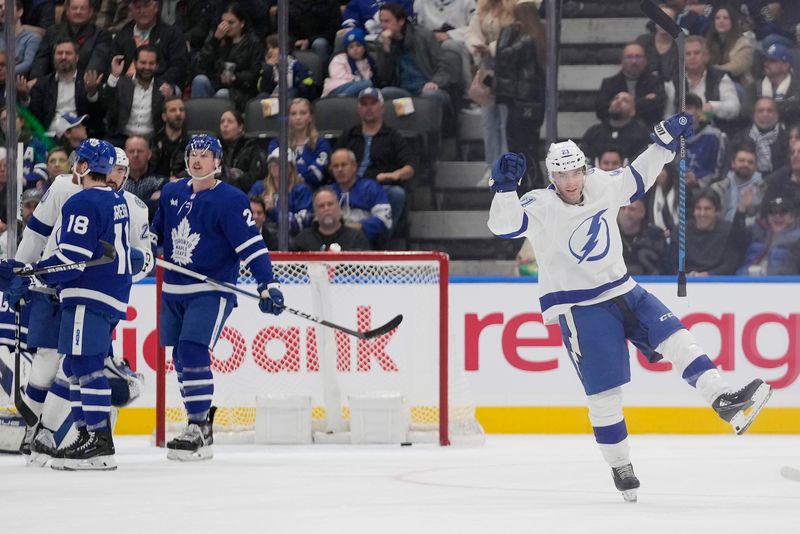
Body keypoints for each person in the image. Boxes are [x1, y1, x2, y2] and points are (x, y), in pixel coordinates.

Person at [486, 113, 772, 501]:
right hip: (581, 307)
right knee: (605, 397)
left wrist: (665, 141)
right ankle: (620, 465)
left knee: (679, 340)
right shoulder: (539, 204)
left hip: (625, 289)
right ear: (552, 177)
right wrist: (504, 189)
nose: (570, 182)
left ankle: (724, 401)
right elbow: (505, 227)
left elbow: (637, 176)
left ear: (584, 169)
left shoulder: (602, 184)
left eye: (574, 172)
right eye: (561, 175)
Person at [1, 139, 134, 471]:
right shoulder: (117, 201)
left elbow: (71, 262)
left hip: (87, 294)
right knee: (76, 365)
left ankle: (98, 442)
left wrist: (32, 272)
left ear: (85, 166)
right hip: (108, 293)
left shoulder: (83, 201)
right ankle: (86, 437)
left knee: (85, 364)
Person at [151, 134, 284, 461]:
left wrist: (267, 283)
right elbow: (155, 234)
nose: (197, 160)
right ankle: (199, 425)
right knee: (181, 357)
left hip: (211, 289)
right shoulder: (171, 193)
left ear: (218, 162)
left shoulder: (231, 199)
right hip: (174, 289)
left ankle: (197, 426)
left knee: (194, 350)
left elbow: (251, 246)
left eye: (205, 155)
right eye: (192, 154)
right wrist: (143, 250)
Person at [335, 87, 415, 231]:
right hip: (348, 186)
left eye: (373, 103)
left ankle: (382, 239)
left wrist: (392, 175)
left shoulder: (393, 137)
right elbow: (333, 161)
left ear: (382, 108)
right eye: (364, 104)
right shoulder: (349, 135)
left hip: (379, 187)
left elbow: (409, 168)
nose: (368, 108)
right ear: (359, 109)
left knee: (397, 194)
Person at [493, 0, 545, 188]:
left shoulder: (526, 39)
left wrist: (506, 33)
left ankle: (527, 186)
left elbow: (503, 56)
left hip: (522, 103)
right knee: (528, 148)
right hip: (532, 104)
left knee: (519, 148)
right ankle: (532, 184)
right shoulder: (538, 37)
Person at [375, 3, 452, 112]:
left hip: (426, 88)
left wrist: (435, 82)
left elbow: (444, 66)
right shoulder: (383, 42)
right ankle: (406, 127)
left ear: (401, 21)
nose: (383, 26)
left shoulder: (423, 36)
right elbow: (384, 78)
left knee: (430, 96)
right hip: (404, 91)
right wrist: (386, 50)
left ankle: (427, 128)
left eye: (387, 21)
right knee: (387, 93)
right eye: (381, 21)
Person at [18, 38, 103, 138]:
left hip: (80, 136)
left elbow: (97, 116)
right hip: (50, 137)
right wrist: (24, 97)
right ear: (53, 57)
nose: (63, 57)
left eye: (68, 53)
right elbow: (35, 117)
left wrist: (91, 93)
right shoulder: (42, 84)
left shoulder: (88, 81)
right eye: (59, 53)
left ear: (76, 57)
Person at [190, 2, 262, 110]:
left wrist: (235, 78)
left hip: (240, 91)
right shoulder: (217, 39)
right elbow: (201, 65)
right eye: (223, 22)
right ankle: (198, 123)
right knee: (200, 80)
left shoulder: (253, 43)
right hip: (217, 85)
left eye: (231, 22)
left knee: (222, 94)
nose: (226, 27)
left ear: (242, 23)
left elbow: (254, 73)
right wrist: (214, 41)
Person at [110, 0, 188, 93]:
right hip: (126, 90)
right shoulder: (121, 36)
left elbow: (178, 68)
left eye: (146, 5)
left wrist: (151, 85)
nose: (142, 11)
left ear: (156, 7)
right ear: (130, 10)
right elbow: (112, 68)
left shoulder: (172, 34)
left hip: (160, 87)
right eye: (137, 7)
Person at [29, 0, 111, 79]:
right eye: (74, 8)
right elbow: (41, 62)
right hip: (52, 86)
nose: (78, 12)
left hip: (84, 87)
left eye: (83, 8)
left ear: (91, 12)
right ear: (67, 11)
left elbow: (95, 67)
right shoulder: (52, 32)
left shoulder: (101, 35)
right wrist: (36, 82)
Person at [102, 45, 164, 145]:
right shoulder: (121, 83)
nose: (147, 67)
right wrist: (114, 76)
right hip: (121, 139)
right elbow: (105, 103)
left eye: (151, 63)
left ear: (157, 65)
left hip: (151, 142)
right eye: (143, 63)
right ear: (135, 63)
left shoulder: (163, 88)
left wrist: (168, 98)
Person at [329, 148, 392, 248]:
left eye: (344, 165)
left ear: (354, 167)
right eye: (336, 166)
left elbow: (384, 220)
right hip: (332, 243)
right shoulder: (327, 192)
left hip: (363, 243)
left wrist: (359, 226)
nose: (340, 169)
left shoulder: (372, 188)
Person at [596, 42, 666, 127]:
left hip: (647, 132)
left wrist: (620, 107)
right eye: (629, 57)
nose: (634, 61)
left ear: (645, 60)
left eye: (638, 57)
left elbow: (657, 111)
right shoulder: (609, 84)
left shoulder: (655, 82)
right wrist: (643, 101)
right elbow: (601, 112)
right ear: (621, 60)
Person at [267, 98, 332, 189]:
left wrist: (291, 166)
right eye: (293, 114)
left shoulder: (321, 144)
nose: (298, 117)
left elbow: (316, 177)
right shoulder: (277, 144)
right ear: (288, 118)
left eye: (303, 113)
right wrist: (304, 168)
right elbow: (276, 173)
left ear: (310, 117)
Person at [249, 147, 313, 236]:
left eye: (281, 163)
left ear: (291, 167)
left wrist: (274, 211)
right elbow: (246, 214)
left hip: (290, 239)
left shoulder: (302, 190)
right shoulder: (259, 187)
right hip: (261, 235)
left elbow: (301, 225)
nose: (276, 165)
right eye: (273, 162)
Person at [581, 91, 651, 166]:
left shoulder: (641, 134)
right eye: (615, 98)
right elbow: (583, 158)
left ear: (633, 111)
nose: (618, 101)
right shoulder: (594, 132)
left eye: (625, 100)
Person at [291, 187, 371, 251]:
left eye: (330, 204)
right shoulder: (303, 239)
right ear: (315, 212)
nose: (326, 209)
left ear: (339, 208)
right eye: (321, 206)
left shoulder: (356, 238)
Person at [737, 196, 800, 275]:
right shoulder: (755, 230)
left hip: (780, 283)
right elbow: (736, 237)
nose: (777, 216)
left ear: (792, 217)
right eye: (772, 212)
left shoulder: (797, 237)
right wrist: (742, 209)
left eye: (783, 212)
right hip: (744, 280)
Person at [710, 144, 766, 226]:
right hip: (720, 233)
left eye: (750, 162)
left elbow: (761, 219)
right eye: (741, 160)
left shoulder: (763, 189)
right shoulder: (717, 188)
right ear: (733, 164)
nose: (745, 164)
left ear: (755, 167)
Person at [749, 43, 800, 126]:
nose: (766, 64)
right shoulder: (754, 87)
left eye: (772, 61)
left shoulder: (797, 87)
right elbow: (746, 112)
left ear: (785, 66)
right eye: (766, 60)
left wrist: (763, 108)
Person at [704, 4, 753, 87]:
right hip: (711, 83)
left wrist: (712, 70)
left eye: (726, 18)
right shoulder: (707, 42)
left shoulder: (744, 43)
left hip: (738, 84)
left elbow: (736, 67)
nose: (721, 21)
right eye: (717, 18)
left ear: (733, 22)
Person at [219, 110, 267, 194]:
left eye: (230, 121)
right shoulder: (216, 148)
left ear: (240, 127)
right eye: (222, 121)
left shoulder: (251, 147)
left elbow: (257, 176)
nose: (225, 125)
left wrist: (237, 178)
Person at [617, 199, 669, 275]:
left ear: (642, 212)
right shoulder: (610, 234)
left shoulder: (655, 235)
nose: (626, 213)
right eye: (623, 208)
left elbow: (666, 267)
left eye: (631, 209)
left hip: (653, 284)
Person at [322, 27, 376, 98]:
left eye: (358, 45)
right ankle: (342, 98)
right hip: (336, 89)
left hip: (359, 90)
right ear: (347, 49)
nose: (355, 49)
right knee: (367, 83)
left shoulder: (368, 61)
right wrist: (358, 80)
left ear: (364, 47)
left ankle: (345, 98)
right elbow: (339, 77)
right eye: (351, 47)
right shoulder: (339, 59)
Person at [124, 135, 166, 220]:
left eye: (140, 151)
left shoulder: (162, 182)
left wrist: (125, 205)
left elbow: (159, 210)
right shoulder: (116, 182)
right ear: (125, 154)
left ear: (149, 154)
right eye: (131, 151)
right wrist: (150, 202)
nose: (135, 155)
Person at [149, 95, 188, 179]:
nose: (178, 114)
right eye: (173, 110)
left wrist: (178, 177)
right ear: (164, 116)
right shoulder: (154, 141)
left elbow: (192, 169)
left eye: (181, 110)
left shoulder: (190, 143)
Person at [0, 0, 42, 76]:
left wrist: (5, 73)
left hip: (17, 81)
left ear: (20, 12)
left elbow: (27, 64)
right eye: (0, 7)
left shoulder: (32, 38)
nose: (3, 9)